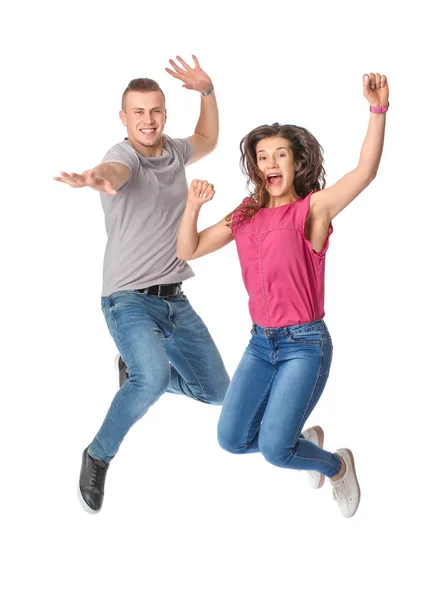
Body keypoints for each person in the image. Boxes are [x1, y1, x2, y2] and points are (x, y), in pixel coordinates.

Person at [176, 72, 389, 518]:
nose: (270, 162)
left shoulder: (312, 210)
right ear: (255, 167)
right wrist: (193, 207)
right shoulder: (245, 215)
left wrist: (377, 109)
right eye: (262, 156)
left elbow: (365, 172)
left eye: (280, 155)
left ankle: (336, 466)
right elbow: (189, 248)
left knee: (275, 449)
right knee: (231, 439)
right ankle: (304, 443)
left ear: (295, 164)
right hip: (260, 344)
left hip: (304, 345)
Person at [54, 55, 230, 514]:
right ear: (123, 118)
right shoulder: (123, 156)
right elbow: (113, 172)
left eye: (155, 111)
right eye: (138, 112)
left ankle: (134, 372)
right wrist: (97, 177)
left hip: (176, 299)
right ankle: (98, 454)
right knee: (151, 381)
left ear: (165, 114)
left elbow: (208, 138)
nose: (148, 120)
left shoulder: (173, 151)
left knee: (217, 392)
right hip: (128, 300)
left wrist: (207, 91)